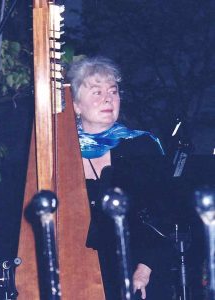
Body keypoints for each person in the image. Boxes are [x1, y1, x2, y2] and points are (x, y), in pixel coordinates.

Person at [67, 57, 172, 300]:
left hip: (139, 269)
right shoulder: (61, 150)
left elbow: (164, 213)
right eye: (97, 92)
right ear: (76, 106)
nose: (108, 98)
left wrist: (145, 269)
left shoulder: (141, 145)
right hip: (80, 271)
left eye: (113, 92)